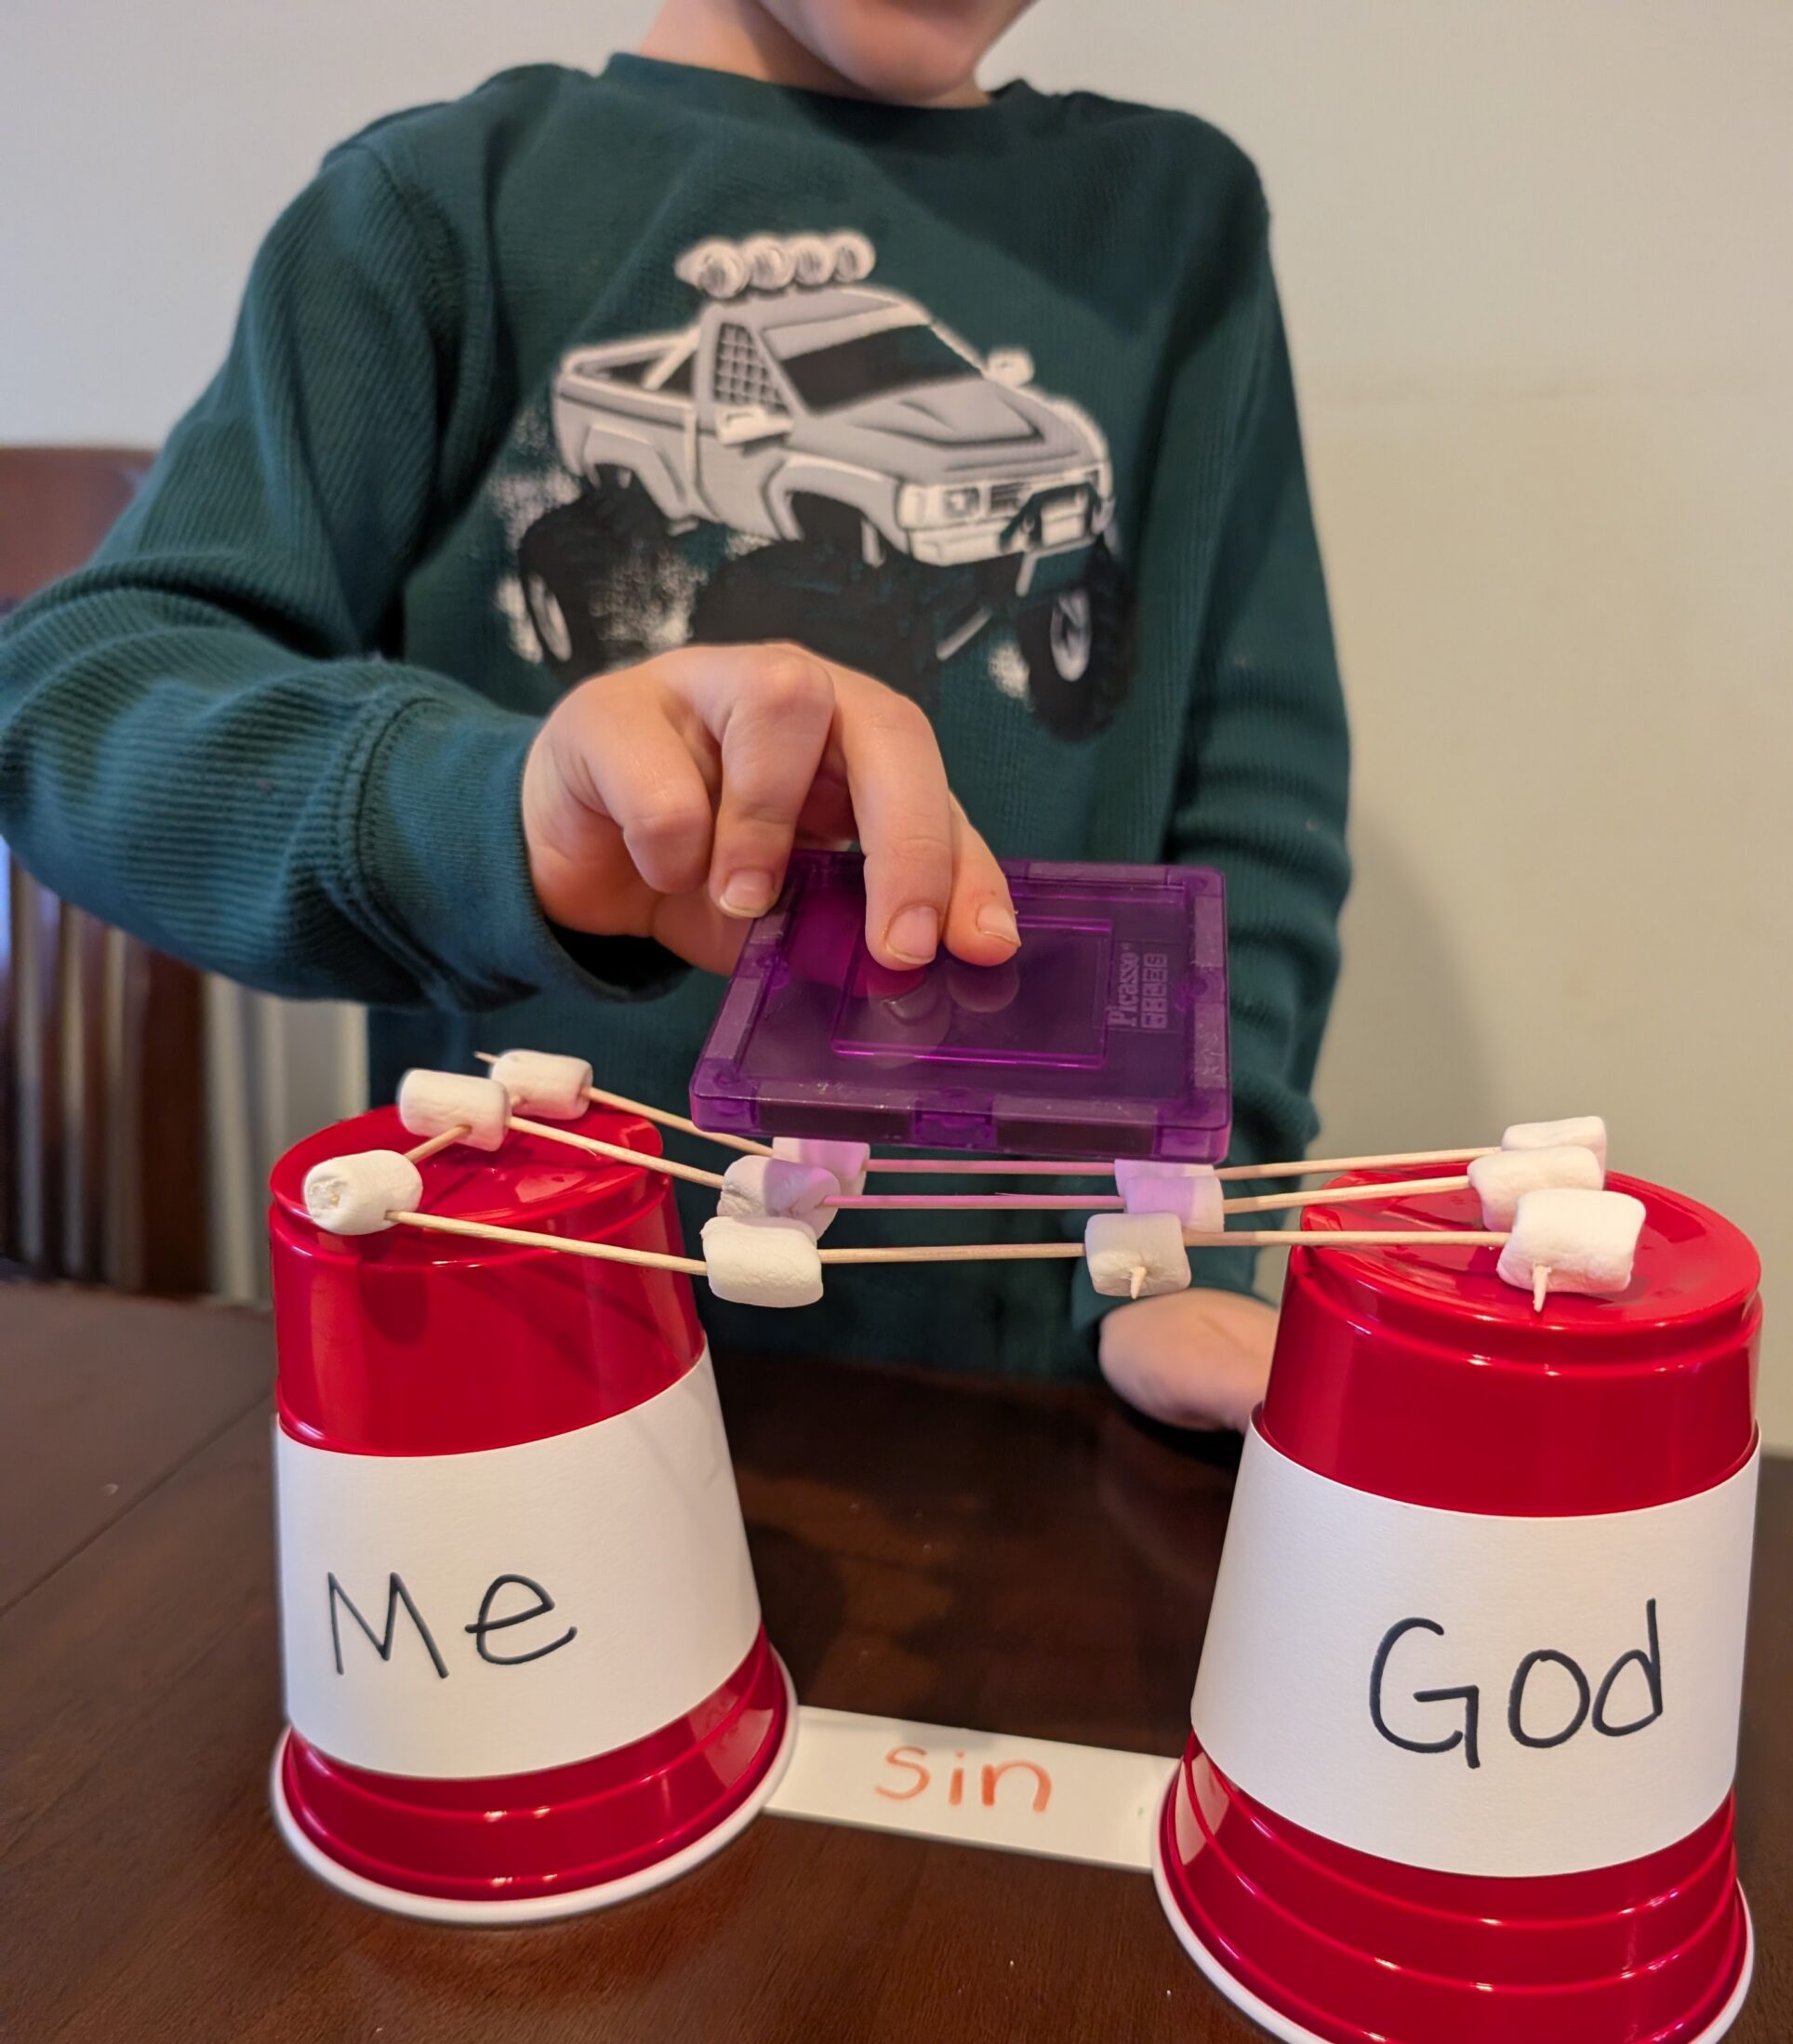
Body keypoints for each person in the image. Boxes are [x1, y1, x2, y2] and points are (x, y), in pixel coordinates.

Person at [0, 0, 1348, 1432]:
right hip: (530, 1333)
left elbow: (1253, 783)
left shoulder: (1173, 223)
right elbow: (73, 697)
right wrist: (499, 816)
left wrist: (1185, 1231)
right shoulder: (443, 207)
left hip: (1032, 1373)